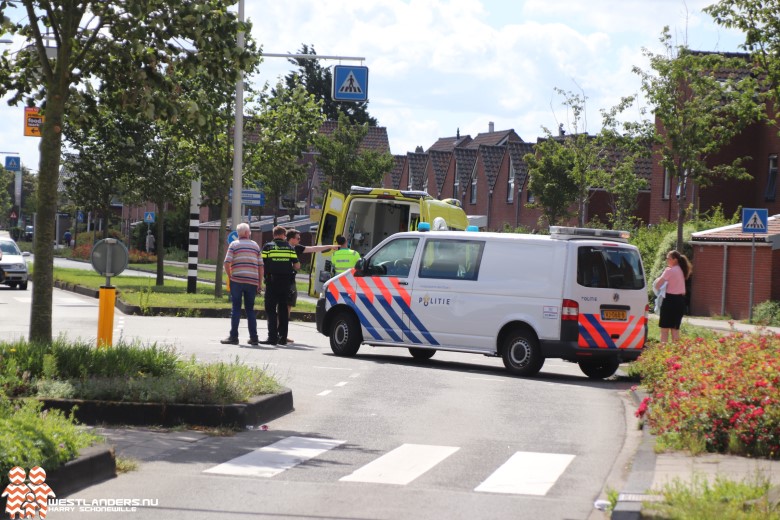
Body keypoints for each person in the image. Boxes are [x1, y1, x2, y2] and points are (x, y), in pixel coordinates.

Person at [284, 229, 336, 343]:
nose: (299, 240)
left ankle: (282, 334)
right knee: (284, 307)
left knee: (286, 307)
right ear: (291, 238)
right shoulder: (286, 247)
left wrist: (330, 246)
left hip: (287, 280)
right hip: (286, 281)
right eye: (298, 238)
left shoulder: (296, 248)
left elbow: (313, 249)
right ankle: (280, 334)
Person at [221, 222, 264, 345]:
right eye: (249, 231)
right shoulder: (255, 246)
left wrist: (231, 277)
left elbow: (226, 262)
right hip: (252, 282)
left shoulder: (233, 245)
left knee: (236, 309)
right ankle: (254, 337)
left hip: (237, 281)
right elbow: (261, 266)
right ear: (246, 233)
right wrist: (259, 283)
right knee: (250, 310)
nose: (250, 233)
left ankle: (233, 337)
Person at [261, 226, 300, 345]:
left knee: (271, 310)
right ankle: (282, 338)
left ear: (274, 235)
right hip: (285, 283)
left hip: (271, 282)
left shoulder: (268, 247)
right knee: (283, 310)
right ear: (283, 235)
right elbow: (297, 265)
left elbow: (262, 263)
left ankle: (272, 338)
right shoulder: (289, 248)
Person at [653, 249, 693, 344]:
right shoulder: (681, 270)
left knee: (664, 330)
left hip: (670, 301)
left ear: (674, 260)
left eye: (668, 258)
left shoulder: (669, 271)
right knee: (675, 330)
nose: (667, 260)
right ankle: (675, 353)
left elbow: (657, 285)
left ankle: (663, 352)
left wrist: (663, 276)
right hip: (680, 301)